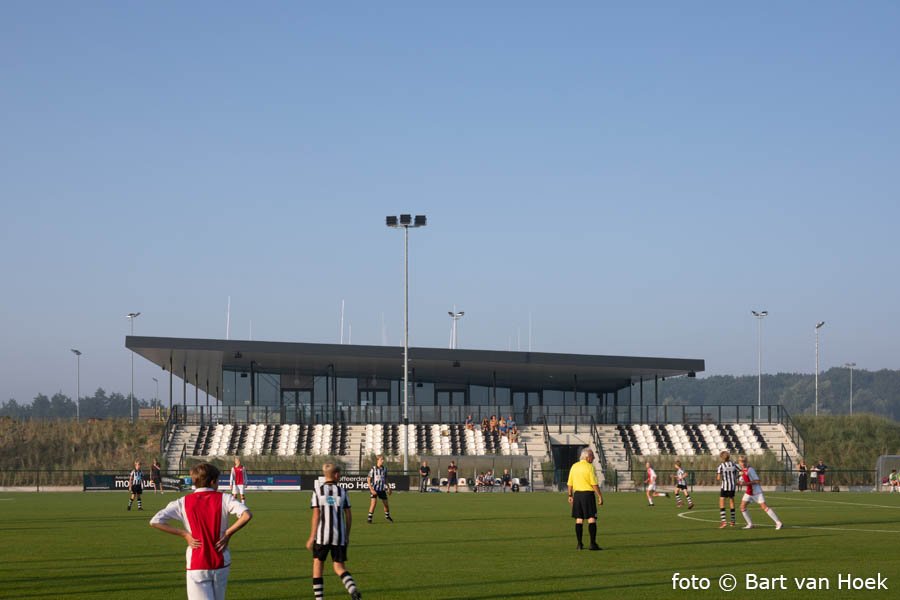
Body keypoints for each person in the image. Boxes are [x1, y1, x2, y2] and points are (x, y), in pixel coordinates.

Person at [150, 462, 253, 600]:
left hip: (197, 563)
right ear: (212, 481)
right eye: (217, 481)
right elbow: (247, 515)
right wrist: (228, 534)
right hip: (220, 561)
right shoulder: (225, 498)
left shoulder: (183, 502)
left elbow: (155, 521)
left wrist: (185, 534)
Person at [307, 463, 362, 600]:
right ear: (336, 475)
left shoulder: (317, 491)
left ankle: (319, 599)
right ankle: (352, 588)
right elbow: (348, 515)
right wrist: (347, 535)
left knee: (318, 566)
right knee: (339, 567)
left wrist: (311, 537)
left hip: (321, 537)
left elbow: (316, 515)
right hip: (339, 536)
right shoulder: (343, 492)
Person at [567, 447, 604, 550]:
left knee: (579, 519)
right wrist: (600, 496)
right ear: (587, 457)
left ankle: (579, 544)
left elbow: (570, 483)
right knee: (591, 518)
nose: (594, 458)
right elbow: (594, 484)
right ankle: (592, 544)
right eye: (592, 456)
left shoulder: (574, 466)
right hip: (588, 495)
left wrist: (570, 495)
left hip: (577, 495)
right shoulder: (589, 467)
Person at [738, 455, 783, 530]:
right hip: (749, 492)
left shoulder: (750, 469)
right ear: (739, 462)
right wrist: (740, 482)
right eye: (741, 462)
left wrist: (746, 483)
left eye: (744, 461)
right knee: (742, 507)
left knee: (764, 507)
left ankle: (778, 522)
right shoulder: (742, 470)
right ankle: (750, 524)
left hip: (756, 492)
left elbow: (757, 481)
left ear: (746, 461)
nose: (742, 463)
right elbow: (742, 480)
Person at [366, 456, 393, 523]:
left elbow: (386, 479)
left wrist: (389, 488)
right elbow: (368, 479)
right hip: (375, 489)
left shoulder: (385, 469)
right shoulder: (373, 468)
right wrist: (371, 489)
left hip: (382, 489)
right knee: (373, 503)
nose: (382, 461)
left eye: (383, 459)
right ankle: (369, 518)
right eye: (381, 459)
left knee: (386, 504)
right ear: (377, 460)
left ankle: (387, 516)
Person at [716, 451, 739, 527]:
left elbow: (718, 478)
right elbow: (741, 472)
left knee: (722, 502)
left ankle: (723, 521)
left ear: (722, 458)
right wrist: (736, 477)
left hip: (725, 486)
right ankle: (733, 521)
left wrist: (720, 477)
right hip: (732, 486)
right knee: (731, 502)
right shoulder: (734, 464)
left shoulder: (721, 466)